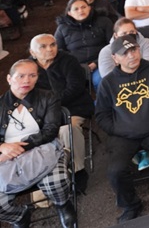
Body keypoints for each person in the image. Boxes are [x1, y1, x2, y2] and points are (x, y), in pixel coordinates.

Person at [96, 35, 149, 221]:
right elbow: (101, 115)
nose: (131, 55)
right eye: (124, 53)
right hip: (122, 134)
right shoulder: (108, 83)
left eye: (133, 50)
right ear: (115, 58)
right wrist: (117, 129)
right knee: (115, 171)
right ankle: (130, 204)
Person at [0, 60, 77, 228]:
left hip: (43, 148)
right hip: (7, 156)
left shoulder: (48, 97)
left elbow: (50, 130)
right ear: (9, 79)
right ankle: (20, 216)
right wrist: (2, 147)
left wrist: (20, 148)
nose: (26, 80)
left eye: (32, 75)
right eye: (21, 76)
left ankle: (63, 205)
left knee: (55, 182)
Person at [30, 34, 92, 194]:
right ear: (32, 52)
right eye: (43, 46)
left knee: (68, 129)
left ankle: (78, 170)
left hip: (74, 106)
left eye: (53, 44)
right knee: (33, 133)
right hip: (44, 114)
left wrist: (52, 104)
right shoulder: (28, 68)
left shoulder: (68, 60)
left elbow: (76, 87)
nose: (50, 49)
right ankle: (46, 175)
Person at [54, 0, 113, 89]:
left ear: (89, 8)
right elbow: (59, 51)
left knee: (101, 81)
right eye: (76, 9)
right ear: (69, 13)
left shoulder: (104, 21)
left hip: (100, 63)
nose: (80, 11)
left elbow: (111, 46)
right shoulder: (62, 28)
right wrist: (75, 65)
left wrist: (96, 63)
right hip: (74, 66)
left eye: (83, 7)